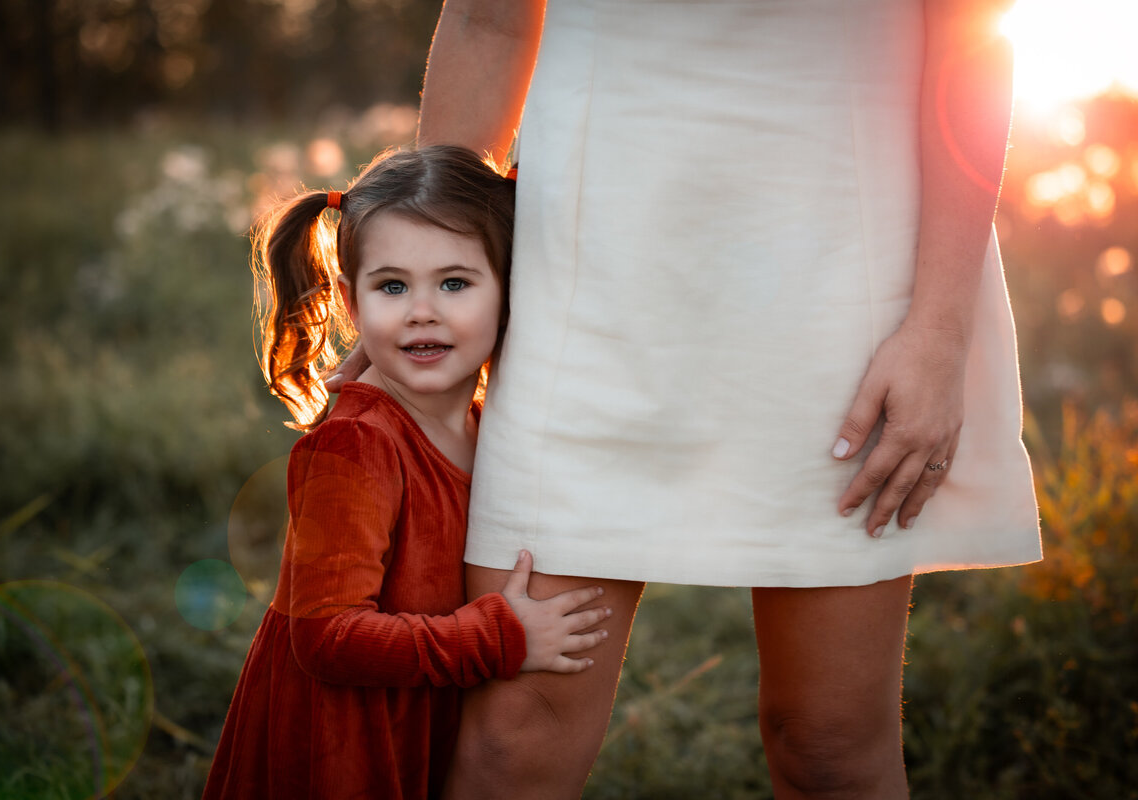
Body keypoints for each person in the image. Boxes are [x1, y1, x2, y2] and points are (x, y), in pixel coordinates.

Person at [400, 0, 1043, 797]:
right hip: (579, 293)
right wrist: (428, 275)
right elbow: (488, 20)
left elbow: (970, 38)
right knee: (511, 740)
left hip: (845, 294)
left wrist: (941, 331)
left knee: (828, 747)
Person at [202, 145, 611, 800]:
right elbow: (326, 637)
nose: (422, 310)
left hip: (414, 715)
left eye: (455, 283)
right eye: (392, 286)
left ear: (509, 294)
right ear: (352, 307)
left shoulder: (489, 427)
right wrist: (498, 637)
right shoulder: (357, 447)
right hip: (343, 745)